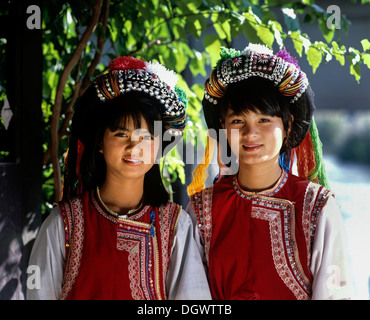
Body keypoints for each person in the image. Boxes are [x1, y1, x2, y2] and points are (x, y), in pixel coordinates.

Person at [27, 56, 211, 300]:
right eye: (121, 134)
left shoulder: (176, 226)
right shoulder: (62, 224)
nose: (134, 146)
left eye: (145, 136)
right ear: (100, 143)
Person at [186, 44, 353, 300]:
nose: (250, 133)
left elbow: (335, 295)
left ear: (287, 126)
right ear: (223, 127)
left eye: (264, 120)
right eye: (238, 121)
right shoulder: (202, 209)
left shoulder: (316, 207)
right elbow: (190, 296)